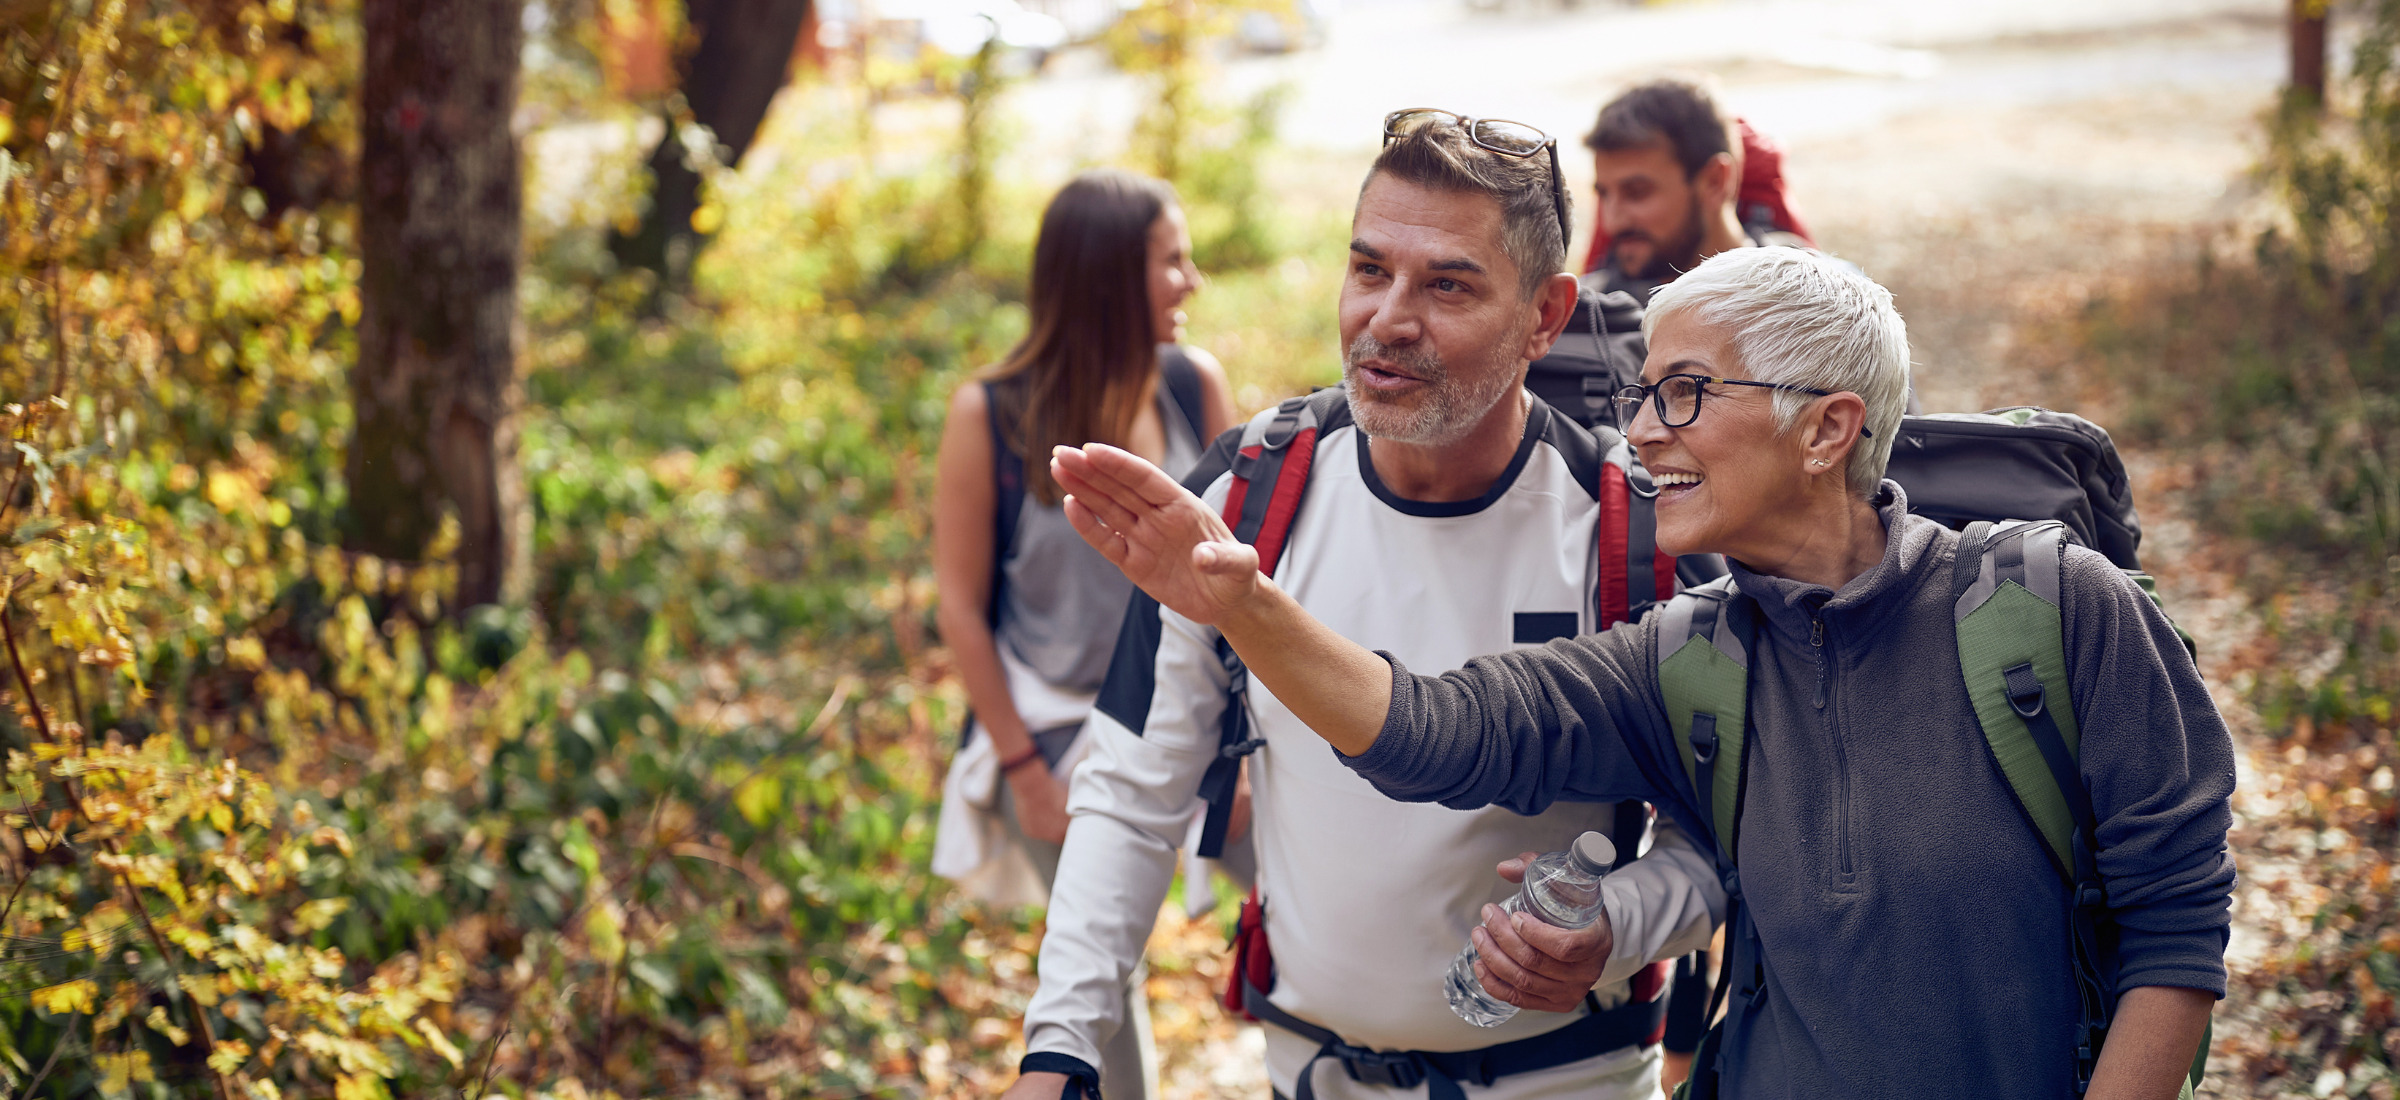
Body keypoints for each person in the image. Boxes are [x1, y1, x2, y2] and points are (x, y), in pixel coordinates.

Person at [1049, 246, 2236, 1100]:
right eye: (1641, 395)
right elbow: (1437, 730)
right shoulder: (1690, 655)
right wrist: (1241, 602)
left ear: (1826, 429)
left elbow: (2176, 931)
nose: (1644, 433)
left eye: (1684, 394)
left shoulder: (2055, 610)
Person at [1001, 113, 1724, 1100]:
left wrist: (1624, 920)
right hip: (1315, 1072)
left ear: (1545, 317)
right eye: (1369, 268)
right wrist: (1060, 1045)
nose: (1387, 317)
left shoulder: (1633, 527)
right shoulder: (1247, 496)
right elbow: (1132, 791)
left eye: (1449, 283)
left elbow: (1721, 834)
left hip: (1573, 1077)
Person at [928, 168, 1237, 1100]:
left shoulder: (1193, 385)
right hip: (1055, 731)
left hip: (1199, 717)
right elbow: (960, 610)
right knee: (1102, 970)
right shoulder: (990, 414)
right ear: (1107, 274)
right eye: (1170, 261)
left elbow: (1243, 575)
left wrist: (1251, 759)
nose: (1191, 282)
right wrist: (1024, 771)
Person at [1582, 78, 1811, 305]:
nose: (1612, 222)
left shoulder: (1811, 298)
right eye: (1603, 194)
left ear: (1715, 181)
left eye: (1637, 193)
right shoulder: (1584, 314)